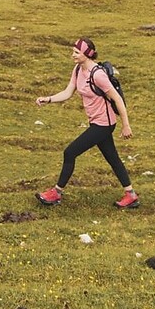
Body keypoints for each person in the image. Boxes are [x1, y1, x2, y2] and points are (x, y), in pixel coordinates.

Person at [35, 38, 138, 209]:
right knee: (112, 158)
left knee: (70, 152)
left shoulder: (97, 75)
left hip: (104, 124)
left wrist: (126, 125)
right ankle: (131, 195)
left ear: (87, 54)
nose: (73, 55)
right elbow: (68, 92)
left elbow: (117, 99)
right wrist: (48, 99)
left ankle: (56, 193)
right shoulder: (77, 70)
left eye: (76, 52)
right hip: (95, 123)